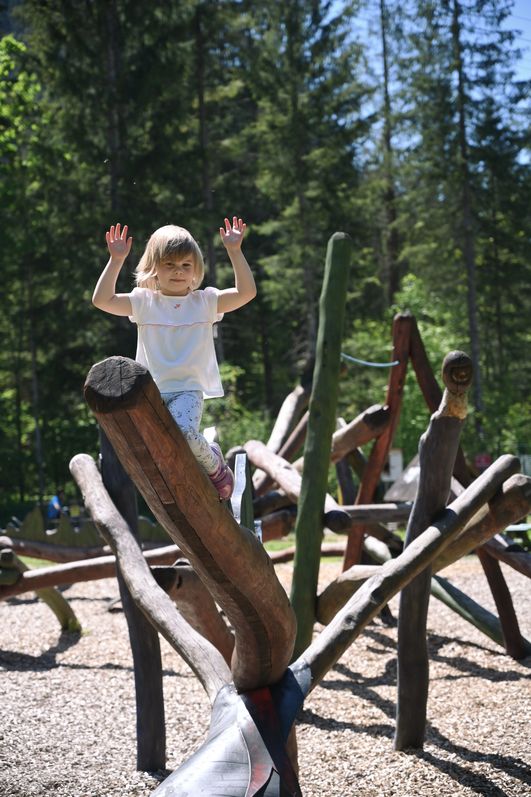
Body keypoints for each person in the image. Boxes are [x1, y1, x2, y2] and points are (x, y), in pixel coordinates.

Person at [92, 217, 256, 500]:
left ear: (195, 271)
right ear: (154, 268)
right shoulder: (145, 302)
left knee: (185, 433)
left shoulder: (204, 302)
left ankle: (216, 467)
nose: (178, 271)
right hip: (149, 393)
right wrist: (116, 260)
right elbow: (102, 300)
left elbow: (247, 293)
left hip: (187, 389)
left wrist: (235, 251)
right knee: (157, 451)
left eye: (185, 265)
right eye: (169, 264)